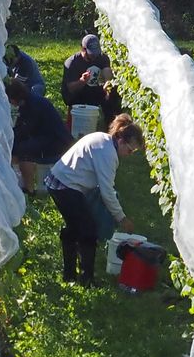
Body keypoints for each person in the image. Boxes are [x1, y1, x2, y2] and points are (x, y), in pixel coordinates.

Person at [45, 114, 143, 287]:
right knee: (88, 231)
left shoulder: (103, 139)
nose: (129, 154)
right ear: (120, 140)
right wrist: (122, 218)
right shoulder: (107, 154)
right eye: (130, 150)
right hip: (64, 186)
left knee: (76, 227)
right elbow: (107, 191)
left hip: (59, 180)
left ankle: (69, 276)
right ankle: (86, 280)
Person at [5, 78, 72, 194]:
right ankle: (19, 181)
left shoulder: (33, 105)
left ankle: (28, 188)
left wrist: (11, 140)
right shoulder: (30, 101)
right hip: (48, 137)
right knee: (18, 146)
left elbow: (26, 129)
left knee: (22, 150)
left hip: (57, 142)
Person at [60, 34, 121, 127]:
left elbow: (107, 71)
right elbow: (70, 88)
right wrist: (82, 81)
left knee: (113, 95)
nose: (94, 58)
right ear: (83, 49)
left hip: (95, 92)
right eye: (90, 56)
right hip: (78, 95)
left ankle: (111, 126)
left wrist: (107, 84)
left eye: (96, 55)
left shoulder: (102, 57)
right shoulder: (72, 62)